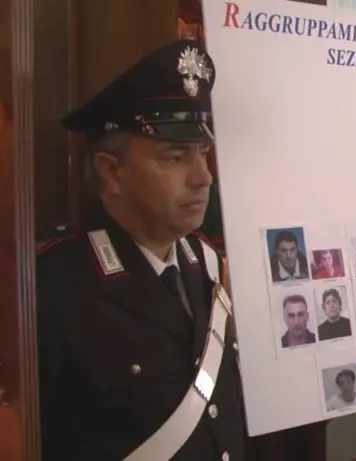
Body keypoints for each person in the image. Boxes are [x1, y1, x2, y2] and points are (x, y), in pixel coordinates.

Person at [36, 40, 247, 460]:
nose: (203, 177)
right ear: (112, 172)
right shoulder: (53, 285)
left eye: (203, 153)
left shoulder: (204, 261)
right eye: (176, 157)